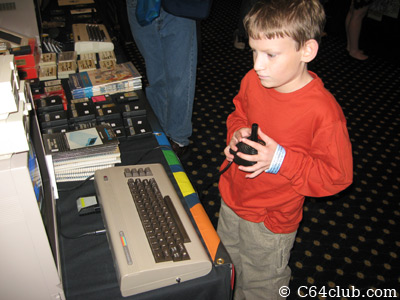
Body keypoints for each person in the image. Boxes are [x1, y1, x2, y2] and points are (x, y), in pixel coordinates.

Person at [218, 0, 353, 299]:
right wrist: (236, 132)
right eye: (254, 51)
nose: (257, 64)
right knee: (225, 267)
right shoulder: (253, 80)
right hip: (232, 198)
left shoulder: (323, 112)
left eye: (270, 54)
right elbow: (239, 112)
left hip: (270, 220)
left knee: (261, 286)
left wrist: (278, 159)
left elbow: (337, 176)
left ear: (307, 51)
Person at [126, 0, 198, 158]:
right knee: (156, 77)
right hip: (139, 4)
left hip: (177, 8)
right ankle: (161, 134)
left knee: (180, 78)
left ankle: (178, 139)